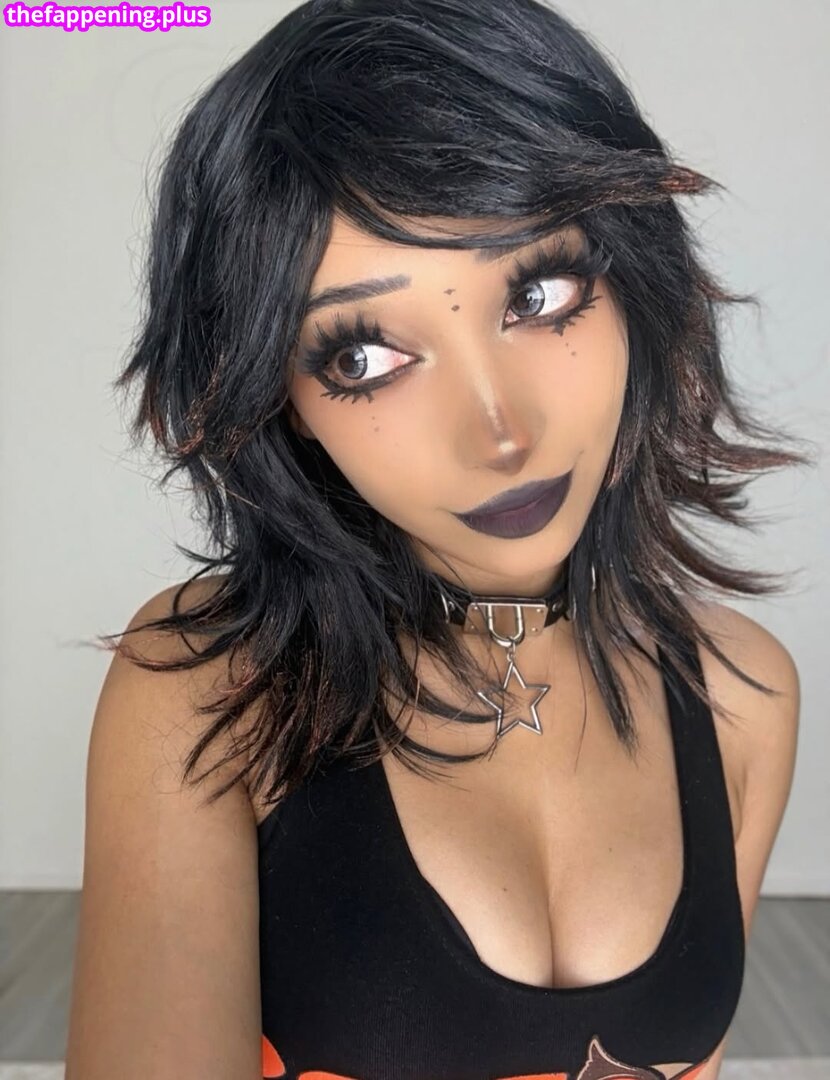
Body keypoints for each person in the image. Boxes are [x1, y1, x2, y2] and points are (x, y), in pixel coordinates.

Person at [65, 2, 809, 1078]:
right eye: (363, 357)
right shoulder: (208, 690)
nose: (500, 433)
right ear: (278, 399)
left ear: (633, 282)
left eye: (540, 294)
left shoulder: (745, 693)